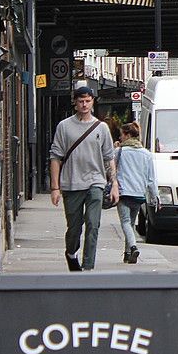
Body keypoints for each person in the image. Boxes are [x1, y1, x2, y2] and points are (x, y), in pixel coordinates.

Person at [49, 85, 118, 271]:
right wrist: (55, 188)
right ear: (75, 103)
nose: (84, 104)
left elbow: (109, 158)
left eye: (88, 101)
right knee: (74, 228)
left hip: (95, 181)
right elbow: (55, 157)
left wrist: (114, 185)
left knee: (93, 224)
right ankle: (71, 253)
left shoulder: (101, 128)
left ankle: (88, 268)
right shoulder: (64, 126)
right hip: (72, 183)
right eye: (81, 101)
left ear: (93, 102)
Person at [115, 121, 156, 264]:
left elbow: (111, 170)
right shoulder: (147, 154)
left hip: (124, 192)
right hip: (139, 193)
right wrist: (155, 197)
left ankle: (133, 247)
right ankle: (127, 254)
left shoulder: (119, 151)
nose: (120, 138)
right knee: (131, 223)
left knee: (125, 222)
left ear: (127, 135)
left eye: (121, 135)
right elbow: (151, 178)